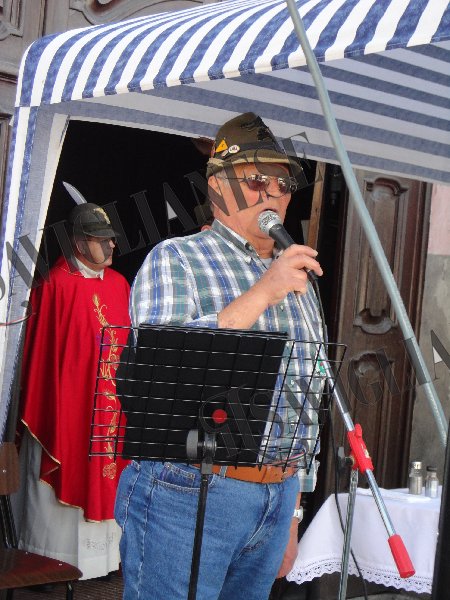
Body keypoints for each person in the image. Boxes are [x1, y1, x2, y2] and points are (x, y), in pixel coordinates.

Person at [116, 112, 324, 600]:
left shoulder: (297, 278)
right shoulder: (177, 257)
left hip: (276, 495)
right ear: (218, 187)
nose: (274, 194)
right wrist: (263, 292)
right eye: (256, 181)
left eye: (284, 183)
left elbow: (306, 392)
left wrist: (293, 511)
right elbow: (160, 369)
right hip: (187, 488)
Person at [16, 199, 131, 580]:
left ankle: (104, 563)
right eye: (101, 239)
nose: (112, 245)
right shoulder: (55, 284)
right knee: (57, 481)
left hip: (108, 408)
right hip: (66, 407)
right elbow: (41, 358)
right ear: (79, 243)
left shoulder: (119, 285)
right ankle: (44, 563)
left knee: (108, 472)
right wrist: (60, 402)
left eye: (111, 238)